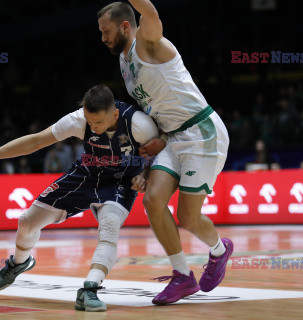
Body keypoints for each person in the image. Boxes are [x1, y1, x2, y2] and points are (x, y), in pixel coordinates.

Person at [0, 84, 159, 312]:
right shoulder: (78, 120)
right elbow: (35, 141)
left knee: (109, 227)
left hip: (121, 183)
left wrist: (146, 174)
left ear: (114, 114)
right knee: (26, 221)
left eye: (98, 123)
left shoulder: (139, 124)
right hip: (86, 175)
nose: (92, 128)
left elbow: (161, 153)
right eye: (89, 121)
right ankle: (19, 262)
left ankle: (90, 289)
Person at [97, 1, 233, 305]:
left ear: (125, 26)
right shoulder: (123, 62)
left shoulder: (149, 44)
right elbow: (154, 111)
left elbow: (151, 14)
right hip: (172, 137)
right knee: (152, 200)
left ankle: (220, 250)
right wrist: (150, 155)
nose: (103, 38)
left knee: (187, 217)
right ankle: (183, 276)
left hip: (202, 133)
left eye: (106, 31)